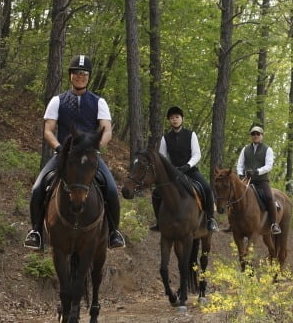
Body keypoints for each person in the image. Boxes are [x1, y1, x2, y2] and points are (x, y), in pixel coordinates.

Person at [23, 54, 125, 250]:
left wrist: (95, 148)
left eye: (84, 73)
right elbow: (48, 130)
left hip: (89, 157)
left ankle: (114, 232)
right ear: (70, 75)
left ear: (89, 77)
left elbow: (107, 130)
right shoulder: (57, 101)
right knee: (37, 188)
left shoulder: (99, 102)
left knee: (111, 190)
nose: (80, 76)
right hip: (64, 156)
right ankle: (36, 231)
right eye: (76, 73)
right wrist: (60, 148)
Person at [150, 106, 218, 232]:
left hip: (190, 171)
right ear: (169, 121)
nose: (174, 120)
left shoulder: (191, 135)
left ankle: (210, 219)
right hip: (173, 173)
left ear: (182, 119)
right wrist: (170, 169)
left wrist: (187, 165)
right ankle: (159, 222)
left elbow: (197, 154)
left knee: (207, 188)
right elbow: (163, 157)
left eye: (177, 117)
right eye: (171, 118)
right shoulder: (165, 138)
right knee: (156, 193)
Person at [237, 125, 281, 234]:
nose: (255, 136)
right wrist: (240, 174)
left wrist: (257, 171)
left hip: (262, 181)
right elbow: (240, 164)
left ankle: (274, 224)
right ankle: (233, 223)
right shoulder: (245, 149)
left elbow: (269, 165)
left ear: (262, 135)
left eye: (258, 134)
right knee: (235, 196)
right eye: (253, 134)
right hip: (247, 180)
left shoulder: (268, 149)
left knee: (269, 197)